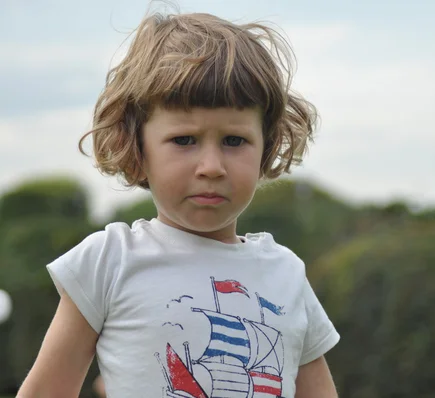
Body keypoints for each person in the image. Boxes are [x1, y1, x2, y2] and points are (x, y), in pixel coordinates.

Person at [16, 8, 340, 398]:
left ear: (266, 148)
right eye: (184, 140)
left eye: (234, 141)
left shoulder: (287, 273)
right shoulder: (108, 261)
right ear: (137, 146)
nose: (211, 166)